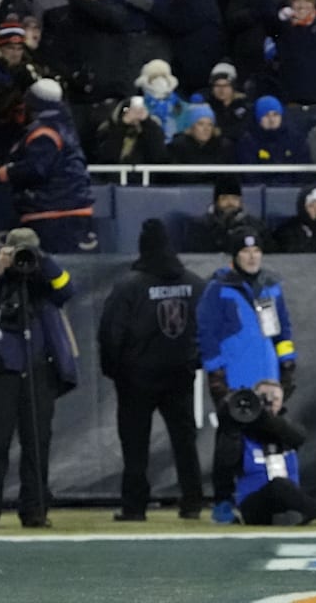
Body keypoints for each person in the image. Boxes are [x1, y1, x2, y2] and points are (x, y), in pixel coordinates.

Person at [0, 228, 78, 529]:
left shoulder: (45, 282)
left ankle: (35, 510)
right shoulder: (0, 280)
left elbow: (68, 291)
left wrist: (43, 260)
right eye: (20, 253)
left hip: (39, 369)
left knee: (37, 443)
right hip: (0, 371)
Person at [98, 219, 205, 522]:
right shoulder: (195, 284)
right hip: (179, 375)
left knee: (135, 445)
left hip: (136, 378)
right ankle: (192, 502)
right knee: (185, 442)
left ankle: (134, 507)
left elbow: (110, 333)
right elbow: (211, 327)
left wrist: (115, 369)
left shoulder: (129, 286)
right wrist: (193, 361)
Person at [198, 226, 297, 524]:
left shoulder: (270, 285)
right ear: (234, 255)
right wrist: (216, 377)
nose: (252, 257)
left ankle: (268, 496)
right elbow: (207, 334)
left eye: (256, 251)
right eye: (245, 251)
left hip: (268, 377)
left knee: (269, 439)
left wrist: (288, 364)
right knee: (229, 443)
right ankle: (223, 502)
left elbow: (283, 330)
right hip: (235, 378)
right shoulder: (218, 288)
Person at [232, 380, 316, 527]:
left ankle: (293, 517)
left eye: (275, 398)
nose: (269, 401)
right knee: (279, 484)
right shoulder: (241, 432)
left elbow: (299, 436)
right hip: (256, 504)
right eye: (264, 396)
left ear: (282, 402)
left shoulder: (287, 431)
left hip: (290, 500)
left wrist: (269, 419)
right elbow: (226, 459)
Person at [0, 78, 95, 254]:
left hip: (53, 211)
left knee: (48, 270)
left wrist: (9, 172)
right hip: (69, 207)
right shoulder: (65, 124)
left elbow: (37, 169)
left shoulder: (43, 133)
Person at [183, 175, 275, 254]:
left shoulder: (255, 226)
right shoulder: (200, 227)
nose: (230, 203)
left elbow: (270, 254)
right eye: (225, 198)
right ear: (216, 202)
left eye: (235, 199)